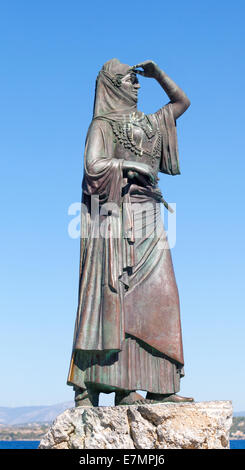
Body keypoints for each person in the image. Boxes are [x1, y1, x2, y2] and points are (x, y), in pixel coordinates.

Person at [67, 58, 193, 406]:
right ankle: (122, 387)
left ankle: (161, 385)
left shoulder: (151, 123)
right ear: (112, 86)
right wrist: (128, 164)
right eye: (129, 80)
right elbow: (93, 167)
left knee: (163, 299)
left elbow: (181, 103)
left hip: (151, 220)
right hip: (117, 221)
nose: (137, 85)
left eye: (138, 81)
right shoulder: (102, 125)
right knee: (120, 301)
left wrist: (160, 76)